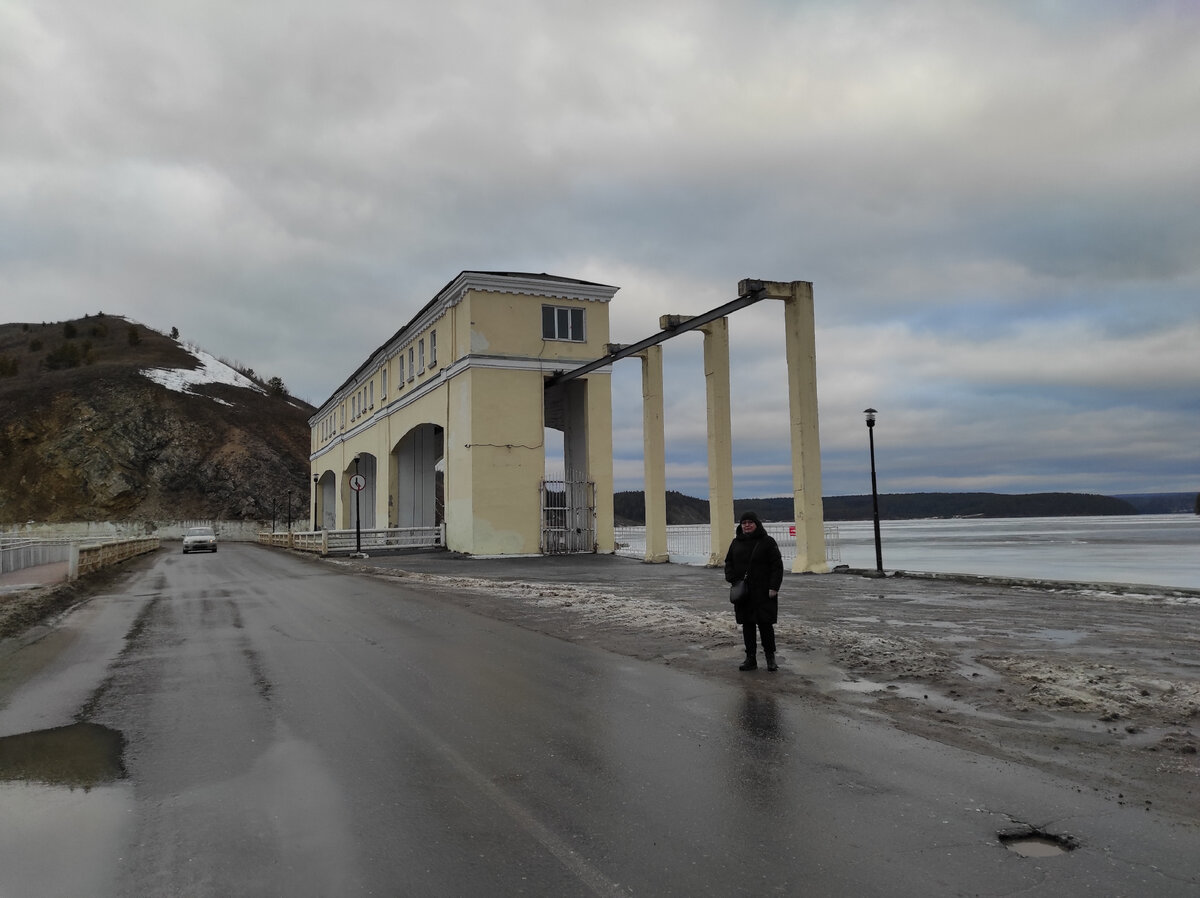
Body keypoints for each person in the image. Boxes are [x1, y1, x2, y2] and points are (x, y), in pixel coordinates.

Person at [724, 510, 784, 671]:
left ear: (757, 524)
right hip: (744, 592)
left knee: (765, 625)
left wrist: (774, 587)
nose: (747, 525)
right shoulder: (736, 542)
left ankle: (770, 658)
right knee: (748, 625)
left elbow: (777, 566)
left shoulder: (767, 541)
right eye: (744, 523)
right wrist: (731, 578)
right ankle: (750, 658)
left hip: (764, 591)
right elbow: (728, 561)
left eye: (750, 522)